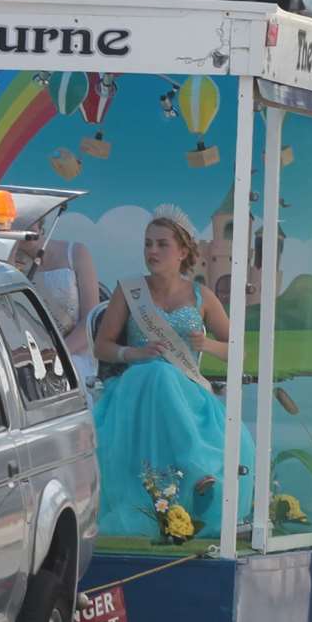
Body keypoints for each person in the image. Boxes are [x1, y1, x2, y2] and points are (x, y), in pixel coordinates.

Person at [91, 206, 254, 541]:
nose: (152, 251)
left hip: (187, 392)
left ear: (183, 252)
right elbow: (102, 346)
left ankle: (198, 487)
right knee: (157, 374)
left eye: (162, 244)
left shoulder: (202, 297)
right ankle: (197, 473)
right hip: (136, 392)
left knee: (166, 378)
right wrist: (132, 353)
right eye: (148, 244)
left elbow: (239, 351)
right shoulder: (129, 290)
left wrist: (207, 345)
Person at [11, 233, 100, 391]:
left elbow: (91, 319)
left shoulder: (76, 253)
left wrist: (58, 356)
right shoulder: (12, 265)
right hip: (32, 362)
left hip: (74, 357)